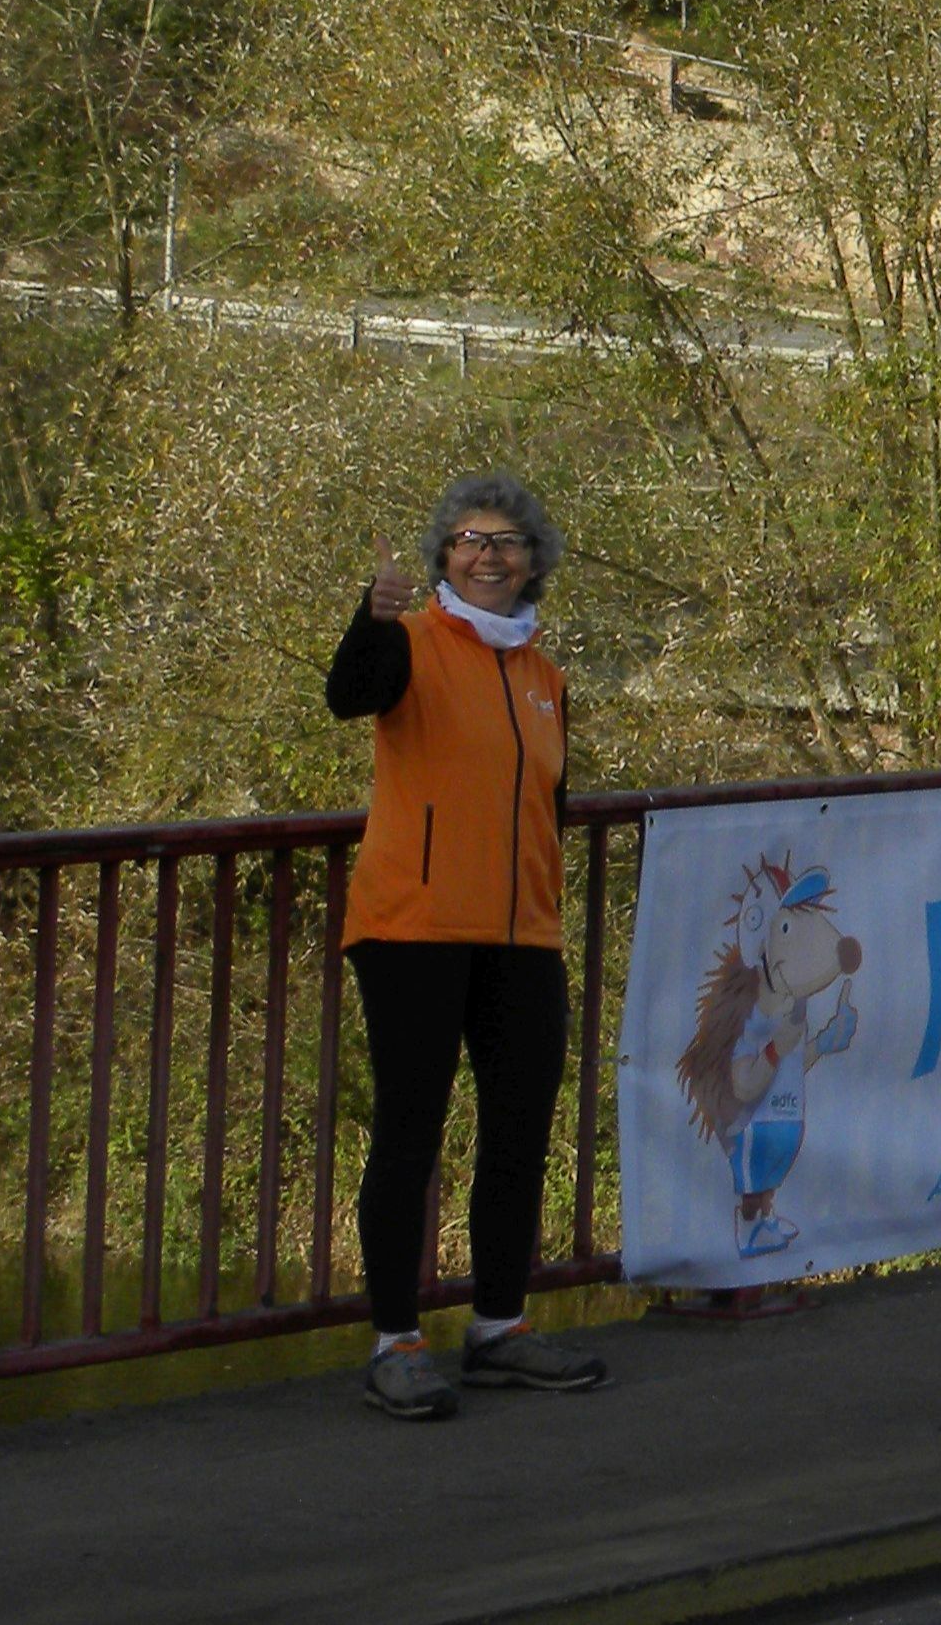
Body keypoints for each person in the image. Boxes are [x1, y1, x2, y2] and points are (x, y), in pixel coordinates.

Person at [326, 474, 611, 1419]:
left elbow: (549, 808)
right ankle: (395, 1342)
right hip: (413, 927)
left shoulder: (544, 678)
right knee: (410, 1134)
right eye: (468, 540)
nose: (489, 554)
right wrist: (369, 617)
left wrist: (542, 905)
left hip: (521, 934)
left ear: (536, 561)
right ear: (442, 556)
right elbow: (348, 694)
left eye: (508, 541)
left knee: (520, 1131)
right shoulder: (409, 645)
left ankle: (497, 1328)